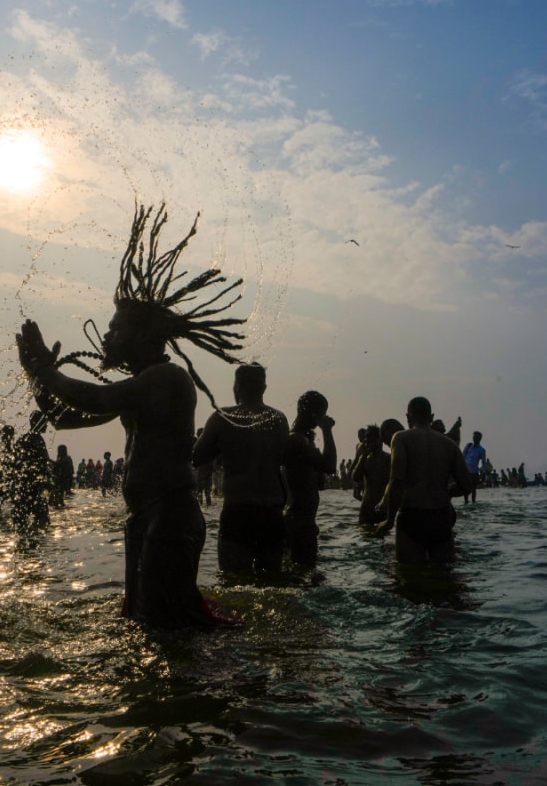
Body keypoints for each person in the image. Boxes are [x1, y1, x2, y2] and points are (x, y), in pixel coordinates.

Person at [17, 202, 247, 628]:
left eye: (116, 328)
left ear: (143, 335)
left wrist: (46, 370)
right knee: (146, 625)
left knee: (166, 634)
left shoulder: (166, 378)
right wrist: (37, 377)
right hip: (147, 517)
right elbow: (66, 417)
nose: (107, 335)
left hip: (170, 517)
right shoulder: (140, 388)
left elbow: (95, 399)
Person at [192, 363, 289, 575]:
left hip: (239, 510)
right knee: (272, 583)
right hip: (272, 512)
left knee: (233, 583)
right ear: (264, 388)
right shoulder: (279, 419)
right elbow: (283, 460)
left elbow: (196, 457)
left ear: (237, 387)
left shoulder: (223, 418)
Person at [380, 396, 472, 564]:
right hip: (441, 518)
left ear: (408, 417)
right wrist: (448, 491)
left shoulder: (401, 438)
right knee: (444, 577)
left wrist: (389, 520)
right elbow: (467, 485)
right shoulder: (449, 444)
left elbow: (397, 480)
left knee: (408, 579)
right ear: (431, 417)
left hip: (411, 516)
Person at [281, 390, 337, 569]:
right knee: (303, 578)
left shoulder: (303, 440)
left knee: (305, 577)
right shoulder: (297, 440)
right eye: (323, 413)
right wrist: (327, 430)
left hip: (303, 521)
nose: (325, 417)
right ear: (314, 414)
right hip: (299, 522)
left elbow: (319, 480)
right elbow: (329, 465)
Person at [349, 424, 389, 526]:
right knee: (364, 536)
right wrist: (362, 459)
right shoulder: (365, 459)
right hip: (366, 508)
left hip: (381, 507)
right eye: (367, 442)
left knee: (381, 538)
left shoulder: (387, 459)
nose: (370, 445)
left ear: (380, 441)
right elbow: (355, 477)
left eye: (373, 441)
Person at [461, 431, 486, 503]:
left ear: (479, 439)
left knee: (473, 489)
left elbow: (483, 462)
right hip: (466, 470)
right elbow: (462, 457)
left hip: (474, 471)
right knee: (465, 488)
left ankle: (473, 503)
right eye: (473, 437)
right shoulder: (468, 446)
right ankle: (466, 502)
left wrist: (483, 472)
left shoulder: (481, 450)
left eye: (475, 437)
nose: (474, 438)